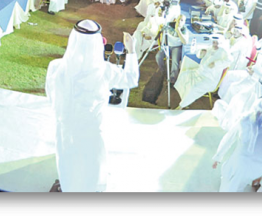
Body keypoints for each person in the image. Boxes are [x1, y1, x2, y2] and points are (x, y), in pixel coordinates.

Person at [44, 20, 139, 192]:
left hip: (65, 126)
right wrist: (131, 51)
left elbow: (51, 95)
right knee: (92, 163)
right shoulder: (105, 70)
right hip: (92, 128)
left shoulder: (55, 66)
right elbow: (131, 79)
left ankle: (68, 187)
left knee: (68, 160)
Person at [212, 96, 262, 192]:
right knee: (242, 179)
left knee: (232, 178)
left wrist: (218, 156)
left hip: (242, 162)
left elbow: (229, 138)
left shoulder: (245, 117)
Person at [174, 34, 232, 109]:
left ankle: (181, 106)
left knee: (194, 88)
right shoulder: (210, 48)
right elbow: (199, 55)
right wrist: (201, 53)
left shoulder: (223, 51)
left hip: (210, 79)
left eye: (216, 43)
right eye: (213, 42)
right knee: (184, 75)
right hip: (200, 73)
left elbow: (229, 61)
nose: (215, 44)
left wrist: (216, 63)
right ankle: (184, 97)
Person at [155, 14, 189, 85]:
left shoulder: (184, 30)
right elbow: (162, 31)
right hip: (167, 45)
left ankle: (173, 79)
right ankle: (162, 71)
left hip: (176, 47)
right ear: (176, 20)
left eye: (182, 20)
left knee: (175, 61)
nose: (179, 21)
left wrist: (179, 31)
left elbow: (185, 42)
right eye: (178, 19)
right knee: (158, 56)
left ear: (184, 22)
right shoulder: (169, 25)